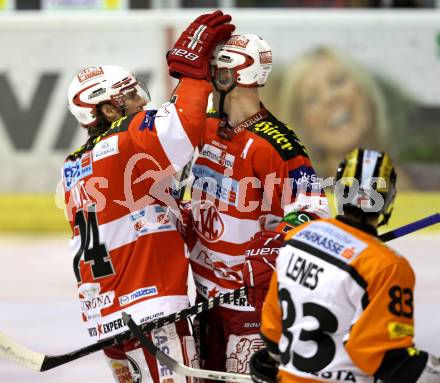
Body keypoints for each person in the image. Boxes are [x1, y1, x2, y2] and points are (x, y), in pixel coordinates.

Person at [62, 11, 235, 383]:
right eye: (126, 99)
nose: (139, 104)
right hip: (149, 312)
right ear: (106, 110)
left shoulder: (72, 166)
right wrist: (194, 73)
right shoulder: (124, 139)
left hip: (105, 319)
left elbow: (137, 213)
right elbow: (181, 129)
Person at [180, 34, 329, 376]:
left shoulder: (276, 143)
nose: (208, 77)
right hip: (205, 297)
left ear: (233, 75)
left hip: (251, 304)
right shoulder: (204, 128)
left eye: (214, 70)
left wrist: (275, 243)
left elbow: (314, 211)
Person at [253, 148, 440, 383]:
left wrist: (279, 361)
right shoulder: (387, 266)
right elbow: (390, 359)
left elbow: (273, 333)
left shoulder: (298, 237)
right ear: (388, 200)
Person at [275, 46, 389, 178]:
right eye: (312, 99)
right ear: (305, 129)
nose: (329, 99)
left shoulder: (416, 179)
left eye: (338, 81)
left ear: (365, 93)